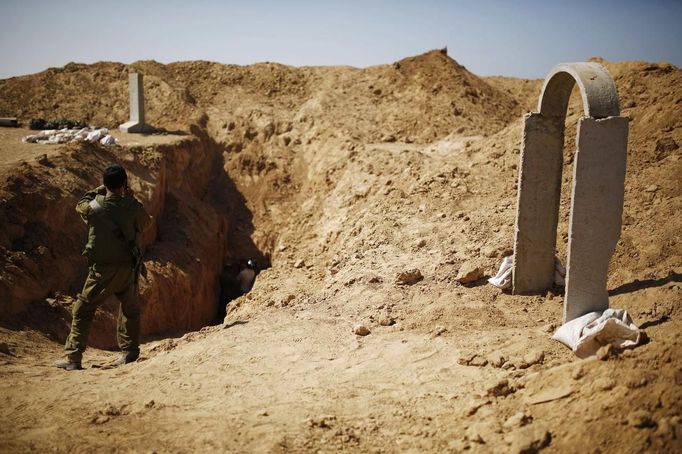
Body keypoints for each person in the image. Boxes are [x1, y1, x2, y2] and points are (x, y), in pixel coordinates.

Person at [55, 163, 152, 370]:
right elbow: (145, 224)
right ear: (125, 184)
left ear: (105, 183)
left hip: (101, 271)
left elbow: (80, 203)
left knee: (83, 310)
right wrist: (131, 198)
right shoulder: (133, 207)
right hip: (128, 269)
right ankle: (130, 354)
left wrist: (100, 189)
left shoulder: (93, 207)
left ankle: (73, 358)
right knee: (130, 311)